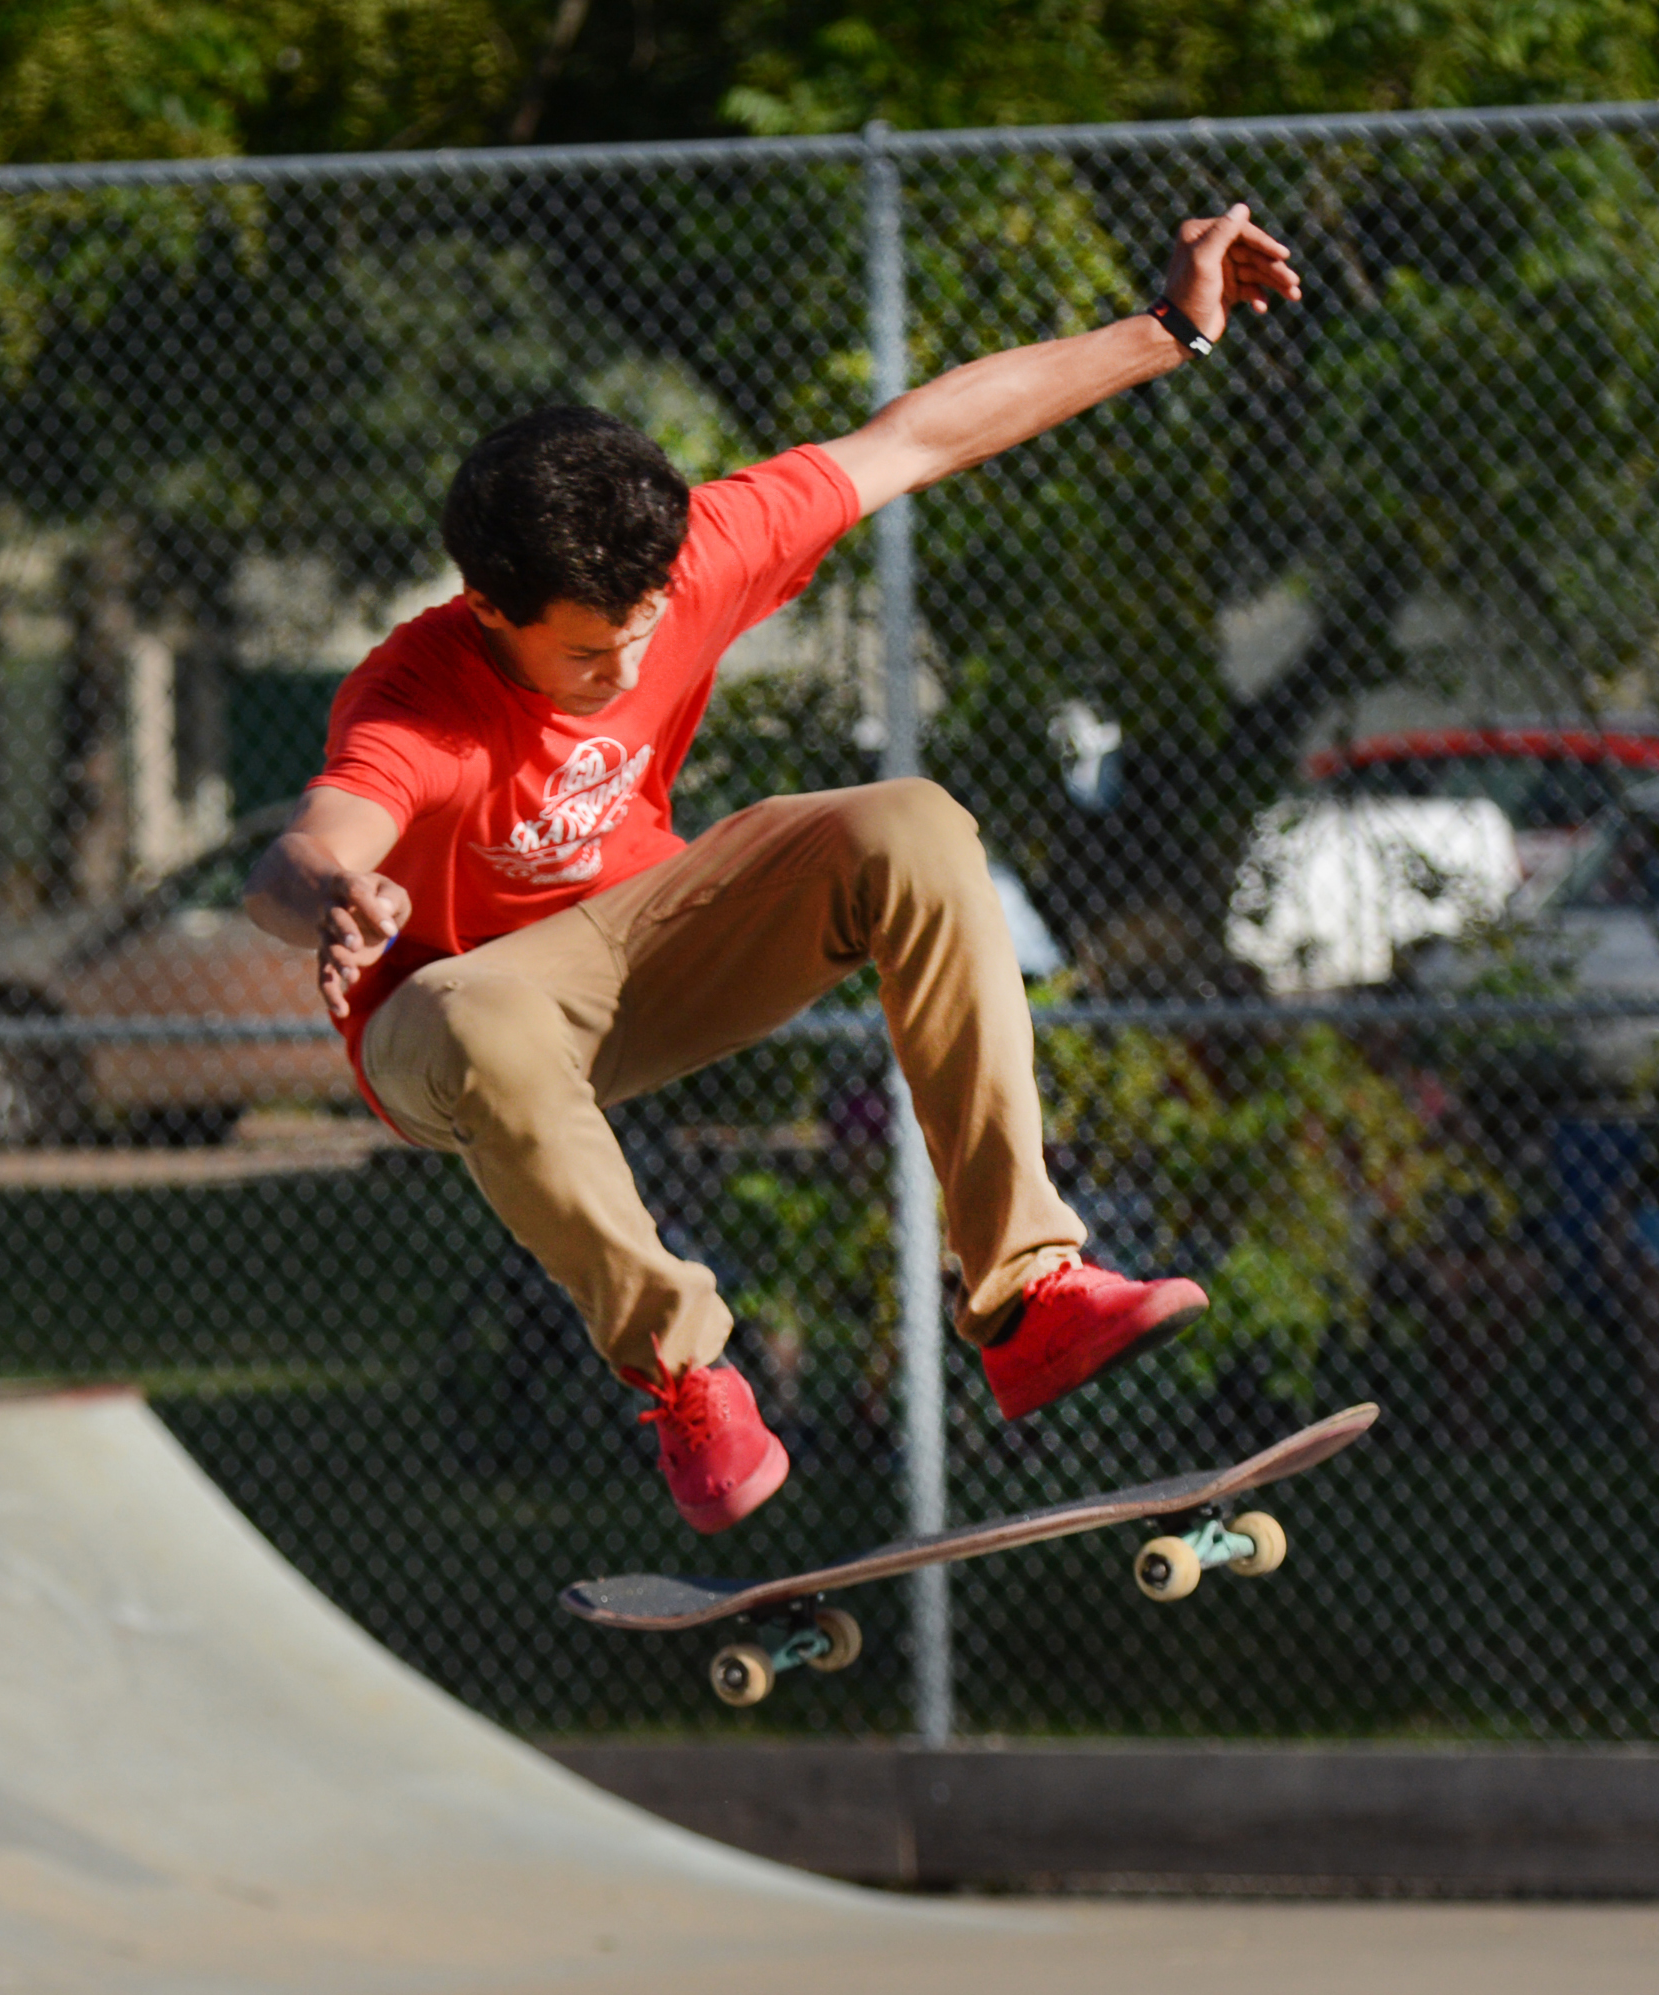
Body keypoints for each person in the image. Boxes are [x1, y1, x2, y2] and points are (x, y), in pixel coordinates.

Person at [244, 202, 1301, 1535]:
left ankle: (1027, 1295)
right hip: (446, 1027)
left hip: (649, 950)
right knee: (485, 1012)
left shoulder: (690, 558)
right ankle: (685, 1375)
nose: (623, 673)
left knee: (907, 824)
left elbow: (917, 434)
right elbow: (306, 846)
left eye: (639, 635)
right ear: (493, 606)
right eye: (582, 656)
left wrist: (1165, 332)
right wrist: (331, 897)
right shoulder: (416, 692)